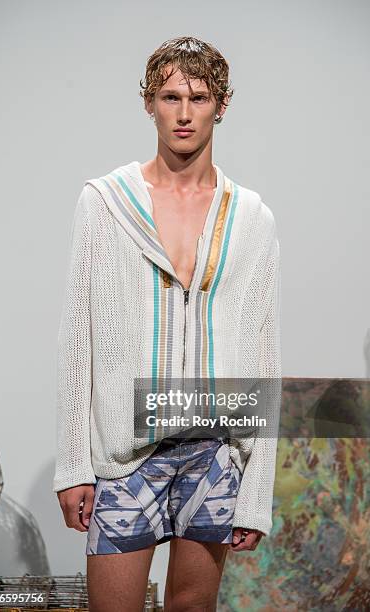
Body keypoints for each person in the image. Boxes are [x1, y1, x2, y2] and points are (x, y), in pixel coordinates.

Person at [53, 36, 281, 612]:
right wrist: (72, 465)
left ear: (221, 105)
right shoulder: (105, 202)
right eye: (170, 96)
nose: (184, 113)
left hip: (213, 451)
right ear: (149, 103)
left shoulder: (250, 217)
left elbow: (263, 351)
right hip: (128, 454)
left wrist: (255, 490)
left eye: (198, 97)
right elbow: (77, 338)